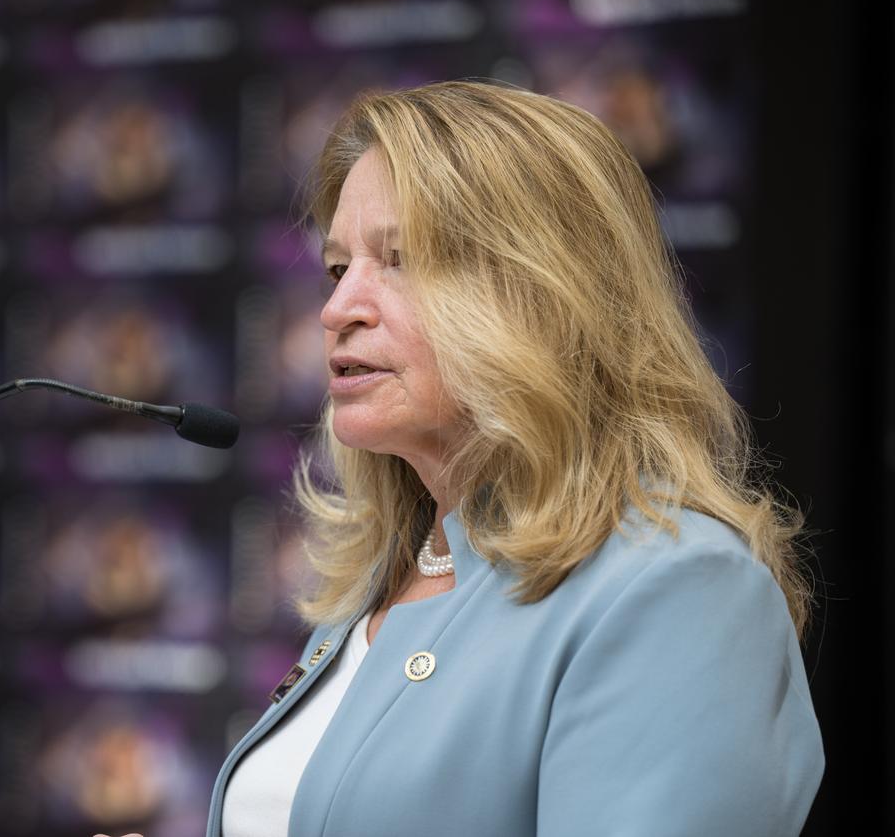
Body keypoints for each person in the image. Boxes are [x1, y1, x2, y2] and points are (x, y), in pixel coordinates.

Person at [111, 79, 825, 837]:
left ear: (546, 296)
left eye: (401, 259)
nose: (337, 308)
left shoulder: (677, 590)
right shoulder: (386, 584)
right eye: (338, 268)